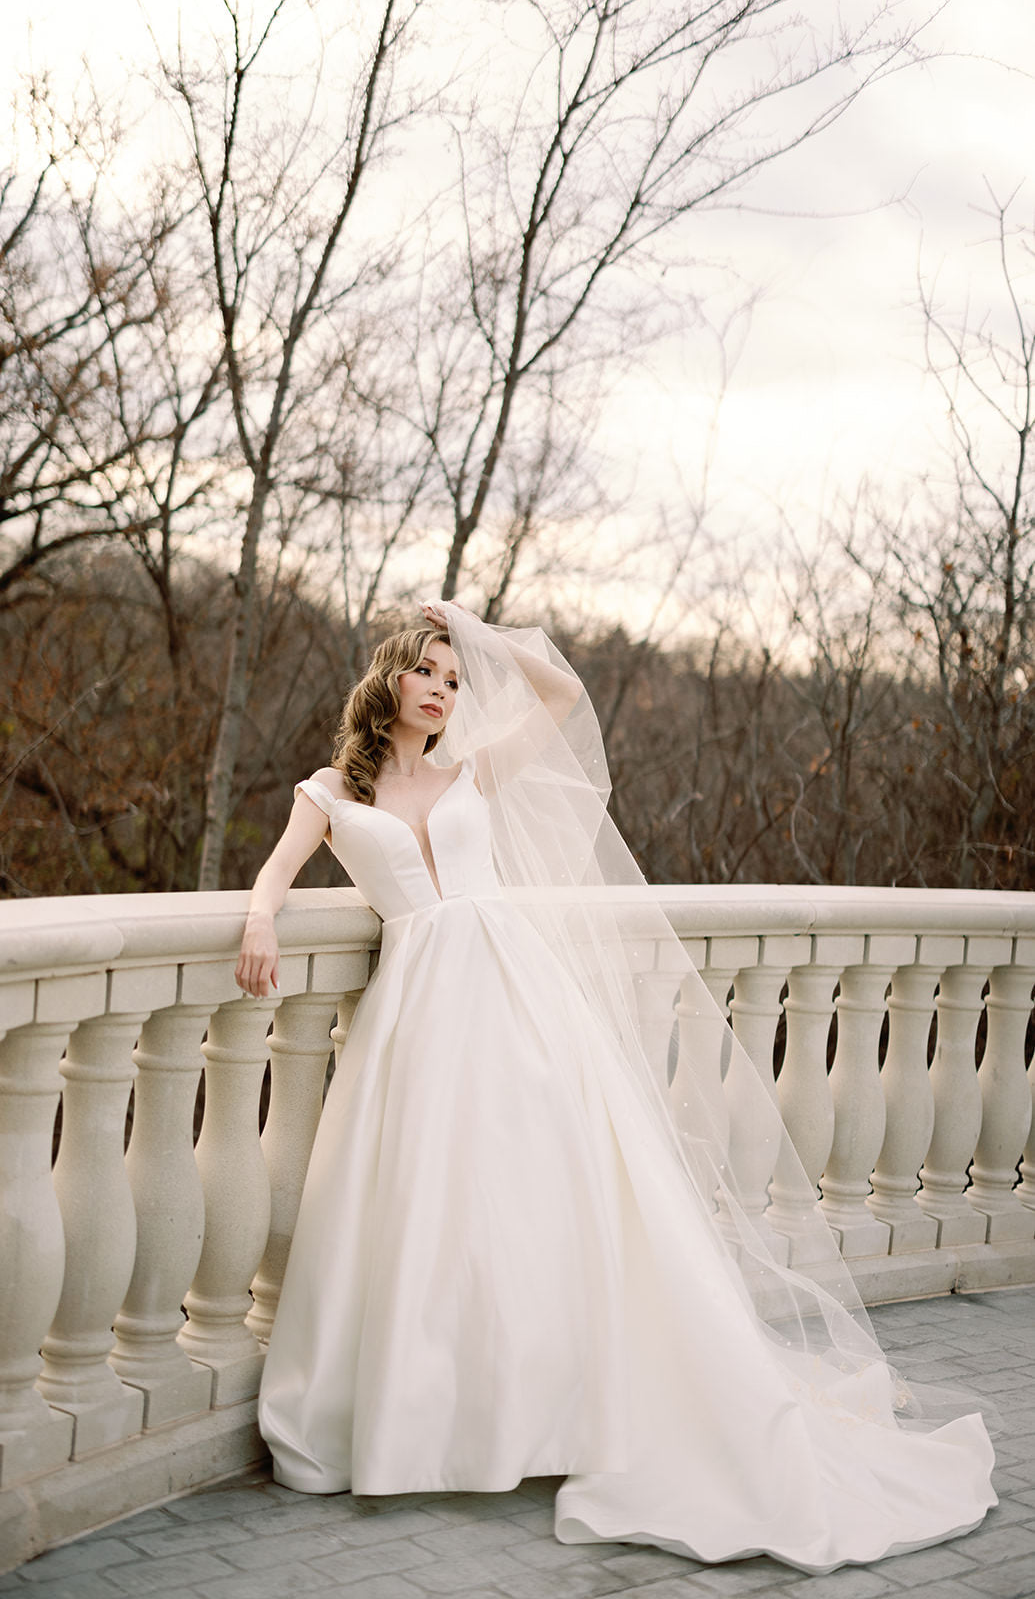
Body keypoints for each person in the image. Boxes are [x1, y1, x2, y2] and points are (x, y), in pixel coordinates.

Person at [236, 599, 997, 1575]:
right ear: (386, 678)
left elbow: (561, 691)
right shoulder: (331, 790)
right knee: (428, 1208)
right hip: (417, 1007)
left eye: (452, 678)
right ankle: (434, 1417)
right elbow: (275, 871)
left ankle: (561, 1408)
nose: (440, 689)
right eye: (426, 670)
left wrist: (474, 629)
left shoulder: (473, 768)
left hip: (514, 992)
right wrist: (260, 919)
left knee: (543, 1193)